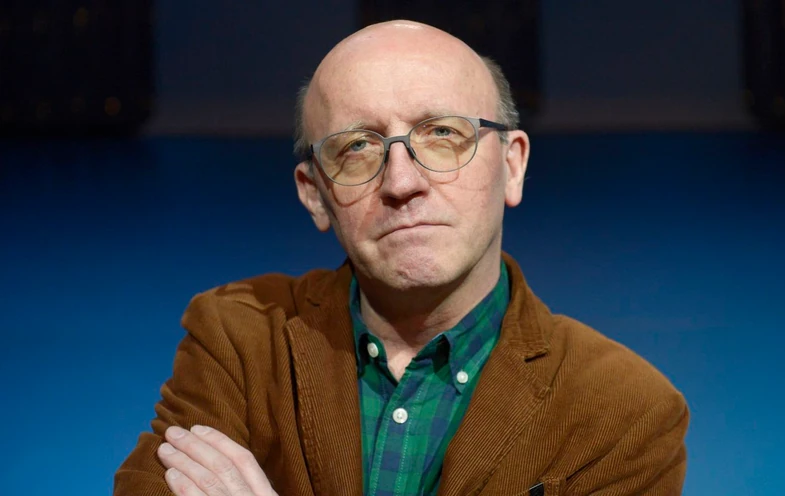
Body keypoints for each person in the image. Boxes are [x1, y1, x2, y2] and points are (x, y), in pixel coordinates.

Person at [114, 20, 689, 496]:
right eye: (357, 147)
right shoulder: (239, 339)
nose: (402, 182)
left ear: (511, 165)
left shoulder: (623, 412)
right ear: (314, 194)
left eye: (442, 134)